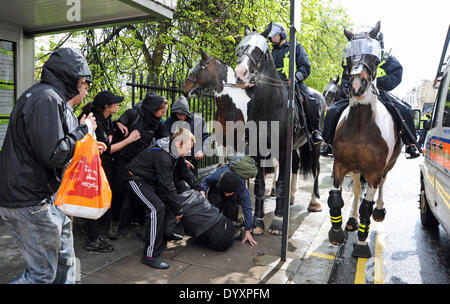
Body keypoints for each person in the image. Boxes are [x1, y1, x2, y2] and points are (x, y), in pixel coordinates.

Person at [0, 48, 96, 284]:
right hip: (30, 200)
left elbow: (54, 147)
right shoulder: (46, 98)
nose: (86, 90)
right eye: (86, 84)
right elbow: (54, 154)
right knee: (41, 274)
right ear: (76, 79)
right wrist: (84, 131)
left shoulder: (47, 96)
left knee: (64, 261)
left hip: (44, 196)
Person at [321, 30, 421, 159]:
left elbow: (396, 76)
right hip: (357, 93)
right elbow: (346, 77)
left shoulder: (386, 57)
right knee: (333, 111)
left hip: (380, 93)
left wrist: (377, 83)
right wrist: (349, 88)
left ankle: (410, 144)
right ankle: (328, 143)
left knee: (405, 111)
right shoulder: (356, 59)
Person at [126, 128, 202, 269]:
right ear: (179, 143)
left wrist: (200, 188)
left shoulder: (175, 152)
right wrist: (179, 210)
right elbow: (167, 185)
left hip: (149, 181)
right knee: (156, 208)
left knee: (165, 201)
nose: (188, 152)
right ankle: (149, 256)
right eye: (187, 148)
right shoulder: (163, 156)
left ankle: (166, 234)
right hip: (135, 180)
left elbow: (185, 172)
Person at [78, 91, 141, 250]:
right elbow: (108, 149)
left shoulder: (104, 118)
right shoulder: (96, 121)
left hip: (96, 165)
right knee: (93, 199)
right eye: (116, 103)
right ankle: (93, 240)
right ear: (106, 107)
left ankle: (91, 230)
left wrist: (117, 124)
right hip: (90, 166)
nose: (118, 104)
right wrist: (130, 139)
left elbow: (109, 133)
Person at [108, 91, 171, 240]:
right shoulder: (133, 113)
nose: (163, 114)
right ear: (152, 107)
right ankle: (114, 223)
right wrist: (118, 123)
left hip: (140, 162)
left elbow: (165, 138)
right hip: (122, 159)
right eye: (161, 111)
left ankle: (141, 225)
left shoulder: (158, 122)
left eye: (165, 112)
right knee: (119, 192)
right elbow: (116, 122)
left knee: (142, 193)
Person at [267, 22, 323, 144]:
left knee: (311, 99)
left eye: (274, 35)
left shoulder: (295, 47)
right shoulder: (271, 53)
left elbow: (305, 67)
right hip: (274, 86)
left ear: (281, 34)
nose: (271, 38)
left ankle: (315, 131)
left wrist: (296, 78)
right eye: (271, 37)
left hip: (294, 84)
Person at [200, 165, 258, 247]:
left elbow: (247, 208)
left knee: (232, 208)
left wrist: (248, 230)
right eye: (225, 192)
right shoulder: (217, 175)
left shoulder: (241, 188)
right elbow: (205, 181)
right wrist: (203, 191)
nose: (226, 195)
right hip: (217, 191)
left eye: (229, 193)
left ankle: (232, 226)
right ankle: (213, 226)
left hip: (233, 195)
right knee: (216, 206)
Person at [174, 181, 237, 252]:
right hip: (229, 226)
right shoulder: (197, 193)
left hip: (219, 243)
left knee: (191, 239)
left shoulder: (177, 204)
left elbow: (187, 231)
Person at [164, 95, 210, 177]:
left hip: (193, 160)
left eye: (183, 115)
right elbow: (165, 139)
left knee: (192, 182)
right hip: (176, 160)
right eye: (178, 115)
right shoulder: (170, 121)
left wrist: (202, 150)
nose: (181, 117)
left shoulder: (198, 120)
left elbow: (206, 137)